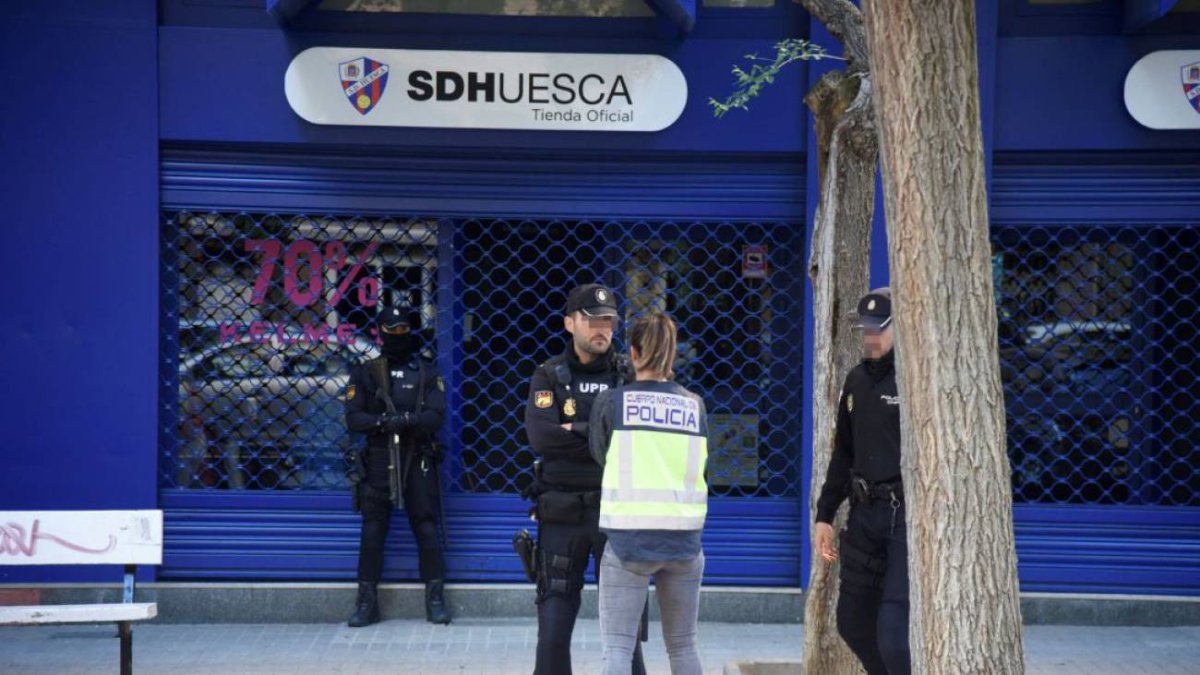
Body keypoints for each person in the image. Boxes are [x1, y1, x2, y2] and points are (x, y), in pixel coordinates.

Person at [523, 283, 646, 675]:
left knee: (626, 638)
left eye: (608, 321)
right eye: (593, 321)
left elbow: (639, 439)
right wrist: (602, 431)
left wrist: (572, 427)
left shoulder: (629, 373)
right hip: (562, 515)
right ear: (569, 323)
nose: (602, 329)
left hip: (618, 515)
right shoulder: (548, 376)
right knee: (554, 632)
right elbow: (542, 437)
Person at [590, 312, 708, 675]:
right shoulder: (694, 405)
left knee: (618, 651)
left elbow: (599, 453)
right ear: (672, 356)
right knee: (684, 646)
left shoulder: (613, 403)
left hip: (629, 543)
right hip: (685, 543)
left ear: (634, 352)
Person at [813, 288, 909, 675]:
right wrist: (824, 514)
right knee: (851, 623)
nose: (871, 337)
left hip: (902, 519)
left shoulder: (914, 383)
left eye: (879, 329)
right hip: (863, 516)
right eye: (866, 329)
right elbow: (843, 454)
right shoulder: (855, 382)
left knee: (892, 634)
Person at [344, 305, 451, 627]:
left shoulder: (427, 372)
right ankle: (366, 603)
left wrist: (404, 421)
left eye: (403, 330)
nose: (398, 337)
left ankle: (435, 598)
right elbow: (353, 418)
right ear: (381, 332)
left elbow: (435, 417)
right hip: (378, 460)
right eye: (392, 331)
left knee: (426, 526)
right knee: (373, 531)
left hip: (417, 457)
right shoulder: (365, 372)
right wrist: (383, 423)